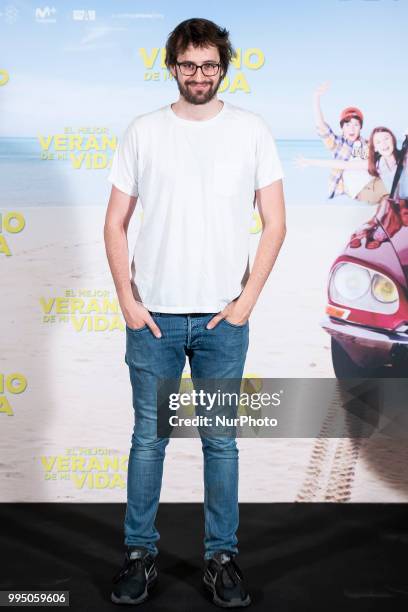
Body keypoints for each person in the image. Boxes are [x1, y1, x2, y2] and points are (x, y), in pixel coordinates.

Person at [103, 17, 286, 608]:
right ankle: (138, 554)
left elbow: (275, 222)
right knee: (148, 441)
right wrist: (128, 302)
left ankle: (222, 558)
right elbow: (114, 221)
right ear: (172, 66)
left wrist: (246, 302)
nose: (199, 75)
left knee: (221, 443)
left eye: (209, 65)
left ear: (224, 67)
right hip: (153, 318)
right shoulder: (144, 131)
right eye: (188, 64)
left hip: (219, 323)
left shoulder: (251, 131)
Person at [312, 81, 385, 202]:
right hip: (358, 190)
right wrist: (316, 98)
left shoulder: (368, 144)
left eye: (356, 125)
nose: (352, 128)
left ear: (360, 127)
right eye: (347, 125)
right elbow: (321, 126)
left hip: (375, 182)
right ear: (342, 127)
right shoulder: (338, 144)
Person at [297, 126, 400, 204]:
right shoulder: (376, 163)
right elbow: (344, 165)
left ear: (393, 140)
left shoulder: (403, 157)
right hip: (378, 194)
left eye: (386, 139)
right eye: (378, 142)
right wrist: (309, 162)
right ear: (375, 148)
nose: (384, 144)